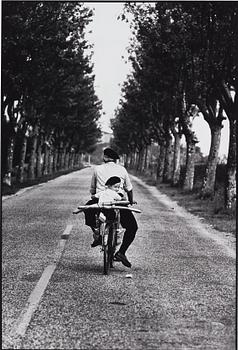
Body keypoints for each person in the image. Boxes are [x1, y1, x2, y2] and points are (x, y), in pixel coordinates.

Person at [84, 147, 138, 268]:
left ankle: (97, 233)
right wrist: (129, 201)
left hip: (101, 202)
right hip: (117, 203)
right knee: (132, 227)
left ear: (105, 158)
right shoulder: (122, 169)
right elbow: (129, 189)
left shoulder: (97, 169)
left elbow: (92, 189)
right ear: (115, 159)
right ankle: (121, 252)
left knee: (88, 210)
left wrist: (95, 195)